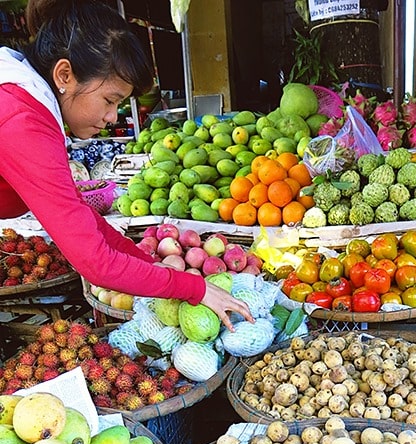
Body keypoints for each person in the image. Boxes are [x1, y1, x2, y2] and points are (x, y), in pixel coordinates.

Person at [0, 0, 253, 332]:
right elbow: (96, 263)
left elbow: (78, 213)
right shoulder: (22, 120)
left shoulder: (22, 100)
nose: (110, 118)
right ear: (65, 75)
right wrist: (196, 289)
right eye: (109, 100)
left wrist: (145, 263)